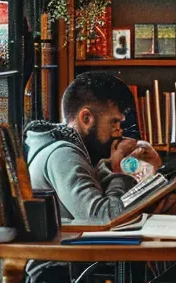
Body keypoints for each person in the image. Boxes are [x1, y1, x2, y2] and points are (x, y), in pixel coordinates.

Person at [25, 72, 162, 223]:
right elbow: (105, 219)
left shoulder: (80, 151)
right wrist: (119, 170)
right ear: (86, 118)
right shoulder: (62, 155)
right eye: (113, 122)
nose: (120, 131)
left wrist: (152, 170)